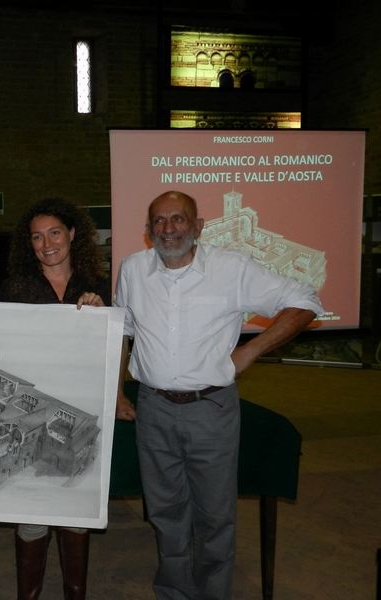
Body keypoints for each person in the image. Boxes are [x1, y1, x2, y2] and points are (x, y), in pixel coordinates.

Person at [113, 191, 323, 599]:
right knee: (165, 514)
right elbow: (124, 328)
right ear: (147, 230)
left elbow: (306, 301)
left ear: (198, 226)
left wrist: (250, 351)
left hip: (210, 410)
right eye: (159, 220)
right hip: (152, 409)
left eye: (178, 219)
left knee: (214, 518)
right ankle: (173, 593)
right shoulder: (132, 270)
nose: (168, 228)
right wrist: (119, 388)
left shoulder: (231, 269)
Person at [0, 197, 110, 600]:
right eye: (36, 237)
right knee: (33, 512)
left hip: (83, 408)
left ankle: (74, 594)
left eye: (54, 233)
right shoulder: (15, 289)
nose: (46, 243)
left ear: (73, 234)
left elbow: (114, 349)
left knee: (76, 510)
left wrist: (101, 318)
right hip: (33, 409)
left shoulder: (97, 288)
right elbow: (4, 352)